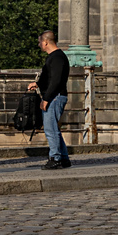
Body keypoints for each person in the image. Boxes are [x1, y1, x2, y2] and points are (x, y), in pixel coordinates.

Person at [29, 31, 72, 169]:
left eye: (39, 42)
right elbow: (49, 77)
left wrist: (46, 98)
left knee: (50, 129)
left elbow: (56, 81)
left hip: (55, 97)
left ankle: (55, 158)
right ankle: (63, 158)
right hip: (54, 96)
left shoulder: (57, 58)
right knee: (54, 128)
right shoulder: (53, 57)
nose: (39, 45)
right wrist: (38, 84)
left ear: (46, 42)